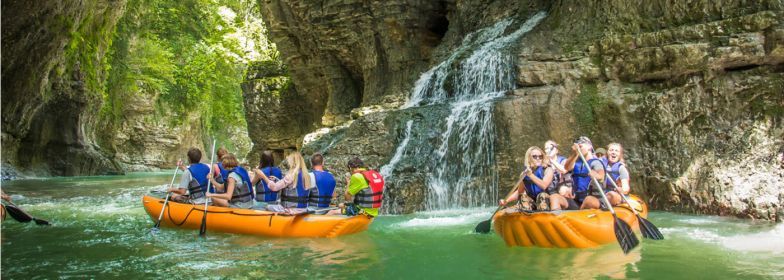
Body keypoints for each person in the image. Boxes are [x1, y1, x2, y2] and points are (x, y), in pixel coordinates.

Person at [499, 147, 571, 211]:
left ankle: (544, 217)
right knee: (523, 197)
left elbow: (544, 185)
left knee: (542, 196)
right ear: (529, 158)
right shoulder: (524, 174)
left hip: (548, 199)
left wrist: (531, 175)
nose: (538, 158)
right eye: (535, 156)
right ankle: (527, 217)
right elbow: (519, 192)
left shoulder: (548, 169)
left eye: (540, 156)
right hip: (533, 201)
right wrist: (506, 201)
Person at [563, 136, 607, 209]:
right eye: (577, 147)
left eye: (580, 146)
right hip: (576, 199)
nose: (579, 149)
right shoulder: (576, 162)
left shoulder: (595, 162)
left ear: (589, 147)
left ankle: (579, 215)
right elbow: (567, 167)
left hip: (594, 201)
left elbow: (601, 176)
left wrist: (596, 175)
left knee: (588, 200)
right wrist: (575, 153)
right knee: (555, 197)